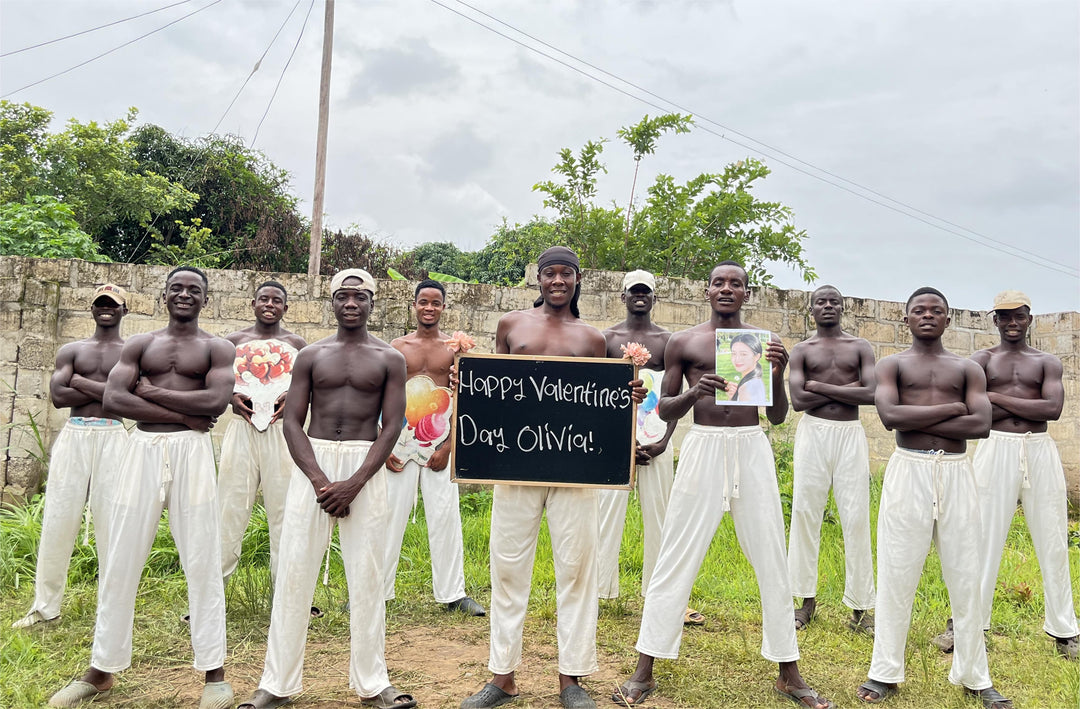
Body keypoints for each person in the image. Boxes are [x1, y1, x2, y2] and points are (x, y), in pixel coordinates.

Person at [615, 261, 833, 709]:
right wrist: (697, 392)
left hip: (751, 448)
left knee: (772, 555)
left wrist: (776, 371)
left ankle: (788, 671)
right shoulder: (685, 342)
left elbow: (775, 417)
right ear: (708, 290)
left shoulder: (764, 342)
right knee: (677, 553)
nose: (727, 289)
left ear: (747, 293)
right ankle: (645, 668)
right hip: (704, 446)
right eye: (719, 283)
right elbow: (665, 410)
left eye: (736, 283)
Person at [461, 246, 645, 709]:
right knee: (506, 566)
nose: (558, 281)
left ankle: (572, 679)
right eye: (550, 274)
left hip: (575, 469)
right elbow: (490, 387)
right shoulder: (511, 325)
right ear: (538, 279)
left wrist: (629, 395)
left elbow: (599, 403)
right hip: (515, 467)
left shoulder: (592, 338)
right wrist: (464, 388)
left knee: (578, 568)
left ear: (578, 280)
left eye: (566, 274)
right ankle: (502, 677)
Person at [49, 267, 235, 709]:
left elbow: (215, 403)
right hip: (142, 448)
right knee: (121, 555)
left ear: (205, 299)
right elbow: (114, 400)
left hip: (193, 451)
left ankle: (214, 672)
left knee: (202, 555)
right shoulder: (140, 344)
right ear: (163, 295)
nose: (185, 295)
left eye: (194, 290)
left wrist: (154, 396)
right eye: (177, 288)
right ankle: (101, 669)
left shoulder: (217, 347)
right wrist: (183, 414)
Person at [238, 269, 416, 709]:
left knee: (368, 576)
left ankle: (373, 683)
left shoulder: (390, 358)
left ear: (372, 303)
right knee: (294, 573)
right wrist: (320, 481)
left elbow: (392, 425)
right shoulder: (312, 356)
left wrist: (354, 482)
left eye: (359, 297)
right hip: (313, 465)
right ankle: (276, 684)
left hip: (364, 466)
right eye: (343, 296)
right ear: (331, 303)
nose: (351, 303)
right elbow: (292, 421)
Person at [856, 287, 1010, 709]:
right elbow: (890, 417)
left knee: (966, 575)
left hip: (958, 474)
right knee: (897, 572)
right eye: (918, 310)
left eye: (936, 310)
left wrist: (951, 413)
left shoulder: (967, 370)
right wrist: (952, 410)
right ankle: (884, 671)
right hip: (909, 469)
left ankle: (975, 675)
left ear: (948, 319)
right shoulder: (892, 365)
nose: (927, 315)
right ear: (906, 319)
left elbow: (981, 424)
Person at [930, 290, 1078, 659]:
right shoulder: (981, 361)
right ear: (994, 320)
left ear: (1031, 318)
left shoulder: (1046, 362)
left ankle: (1065, 630)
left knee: (1053, 539)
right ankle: (965, 625)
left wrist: (995, 399)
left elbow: (1052, 409)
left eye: (1019, 316)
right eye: (1005, 317)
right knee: (981, 538)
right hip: (995, 447)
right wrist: (1008, 406)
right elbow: (974, 410)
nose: (1012, 323)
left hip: (1040, 449)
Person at [13, 284, 129, 630]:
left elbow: (124, 400)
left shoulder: (131, 352)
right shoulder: (72, 349)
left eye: (113, 304)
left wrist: (81, 383)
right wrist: (106, 390)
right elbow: (58, 397)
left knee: (114, 522)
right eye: (100, 303)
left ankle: (112, 611)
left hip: (113, 435)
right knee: (58, 518)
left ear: (124, 310)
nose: (106, 308)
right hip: (74, 433)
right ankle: (45, 607)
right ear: (91, 309)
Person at [383, 279, 485, 616]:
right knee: (388, 516)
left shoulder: (455, 348)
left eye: (436, 303)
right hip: (400, 441)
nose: (429, 308)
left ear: (443, 307)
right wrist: (385, 446)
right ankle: (376, 591)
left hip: (439, 441)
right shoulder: (397, 346)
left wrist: (449, 445)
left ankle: (453, 593)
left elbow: (467, 400)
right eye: (423, 302)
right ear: (413, 305)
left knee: (445, 516)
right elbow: (384, 397)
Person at [786, 285, 876, 634]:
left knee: (855, 516)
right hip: (813, 433)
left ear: (843, 307)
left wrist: (818, 387)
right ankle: (804, 600)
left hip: (849, 433)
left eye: (833, 302)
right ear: (811, 310)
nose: (827, 306)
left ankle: (860, 606)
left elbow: (869, 394)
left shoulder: (860, 347)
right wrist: (843, 389)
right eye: (820, 302)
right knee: (806, 512)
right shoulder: (802, 349)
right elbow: (797, 400)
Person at [598, 270, 688, 616]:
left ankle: (659, 593)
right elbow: (595, 392)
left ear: (654, 299)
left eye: (645, 292)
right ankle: (601, 589)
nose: (639, 297)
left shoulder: (668, 341)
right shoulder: (606, 339)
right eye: (633, 291)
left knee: (659, 515)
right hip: (614, 442)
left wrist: (665, 440)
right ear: (622, 297)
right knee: (605, 515)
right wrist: (615, 439)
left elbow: (674, 395)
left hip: (656, 441)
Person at [217, 281, 307, 594]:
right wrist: (231, 396)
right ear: (253, 303)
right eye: (264, 299)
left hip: (282, 433)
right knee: (229, 508)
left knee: (285, 511)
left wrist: (291, 398)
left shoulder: (297, 344)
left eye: (277, 300)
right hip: (242, 429)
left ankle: (286, 595)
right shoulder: (232, 342)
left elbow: (309, 386)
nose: (270, 304)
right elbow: (217, 382)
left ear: (286, 307)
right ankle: (212, 596)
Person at [728, 332, 767, 404]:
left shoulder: (747, 388)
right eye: (734, 353)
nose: (737, 359)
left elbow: (739, 414)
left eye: (743, 354)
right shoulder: (754, 381)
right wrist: (733, 397)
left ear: (757, 357)